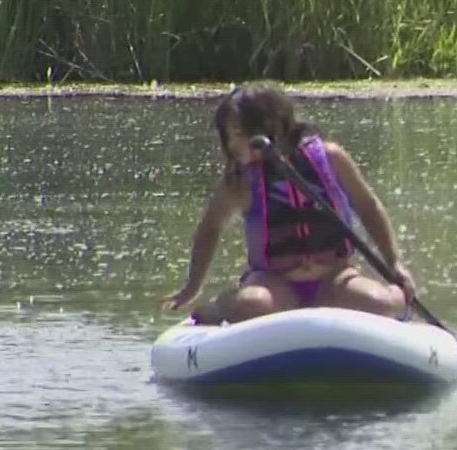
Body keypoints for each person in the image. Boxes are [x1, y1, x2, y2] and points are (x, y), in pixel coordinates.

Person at [162, 81, 417, 325]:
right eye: (228, 136)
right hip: (274, 283)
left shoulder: (331, 157)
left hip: (334, 277)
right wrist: (193, 286)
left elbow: (367, 206)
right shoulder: (239, 181)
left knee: (383, 303)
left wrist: (394, 262)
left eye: (239, 134)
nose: (232, 144)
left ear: (270, 126)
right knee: (253, 304)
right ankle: (222, 306)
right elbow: (210, 228)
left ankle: (393, 304)